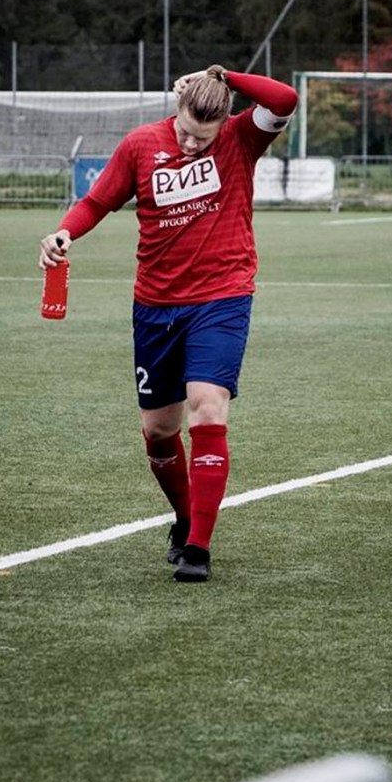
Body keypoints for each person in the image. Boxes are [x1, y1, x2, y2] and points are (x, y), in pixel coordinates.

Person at [38, 65, 298, 583]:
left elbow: (285, 97)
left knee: (207, 407)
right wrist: (63, 233)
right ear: (174, 112)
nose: (191, 144)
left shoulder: (242, 138)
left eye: (203, 138)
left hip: (222, 298)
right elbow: (97, 201)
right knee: (159, 432)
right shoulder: (140, 145)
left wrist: (225, 74)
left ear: (224, 123)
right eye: (184, 132)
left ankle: (198, 547)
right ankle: (184, 517)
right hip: (155, 305)